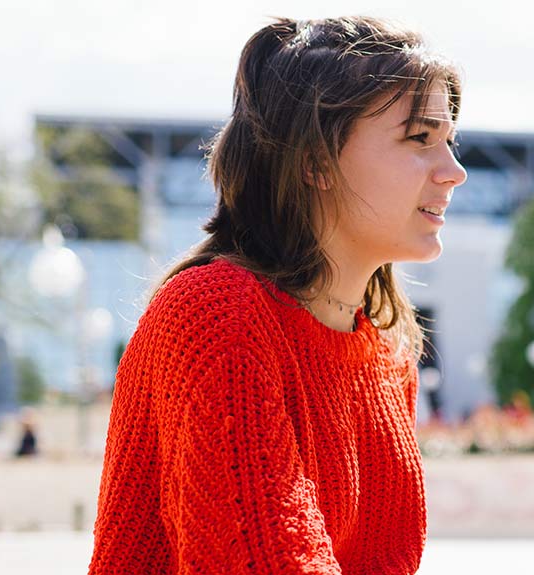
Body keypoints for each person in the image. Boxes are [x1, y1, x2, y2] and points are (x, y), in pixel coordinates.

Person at [88, 15, 465, 574]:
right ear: (314, 161)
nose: (454, 171)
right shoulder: (216, 313)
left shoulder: (386, 356)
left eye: (450, 142)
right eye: (420, 138)